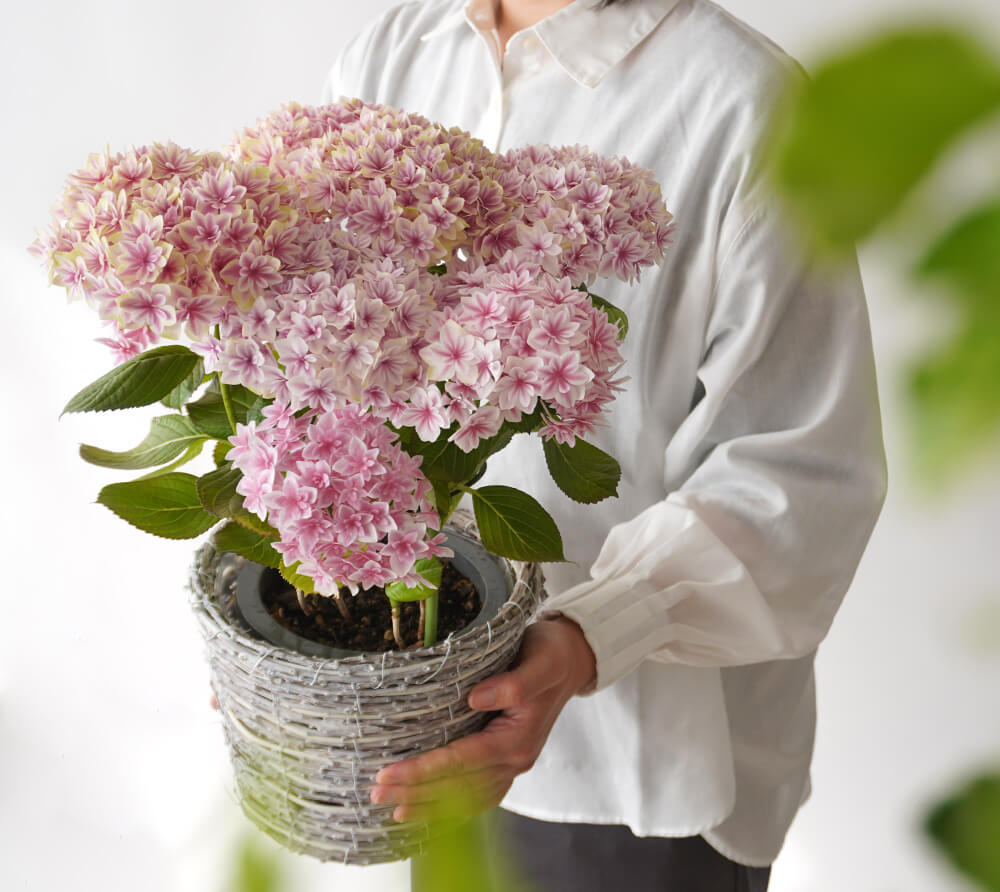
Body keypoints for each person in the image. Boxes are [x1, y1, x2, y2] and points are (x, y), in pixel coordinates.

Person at [322, 0, 888, 888]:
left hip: (635, 778)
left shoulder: (747, 104)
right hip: (429, 730)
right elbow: (335, 378)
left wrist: (589, 638)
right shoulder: (397, 52)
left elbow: (799, 473)